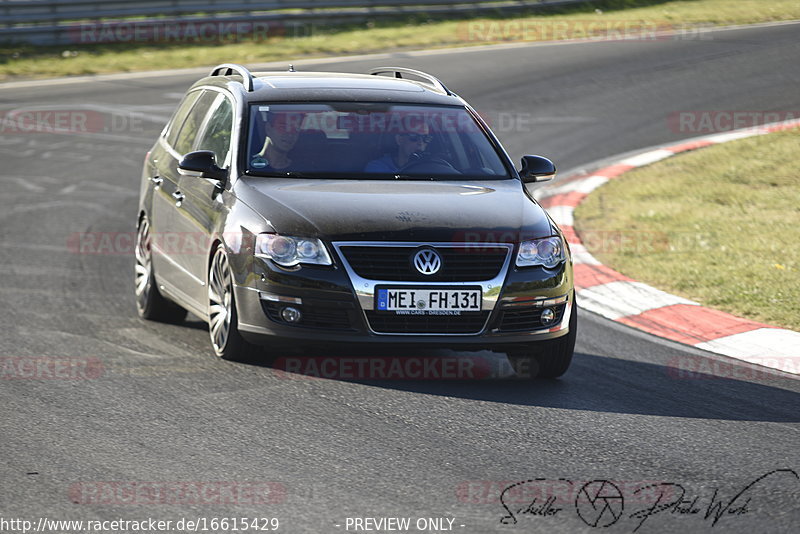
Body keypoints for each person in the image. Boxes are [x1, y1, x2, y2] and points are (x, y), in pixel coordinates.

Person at [364, 123, 432, 173]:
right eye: (414, 136)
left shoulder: (432, 168)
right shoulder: (378, 168)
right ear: (399, 140)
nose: (420, 143)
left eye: (426, 138)